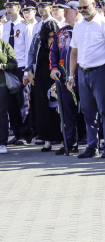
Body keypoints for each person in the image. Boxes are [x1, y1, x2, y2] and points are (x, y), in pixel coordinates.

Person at [68, 0, 105, 159]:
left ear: (95, 4)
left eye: (85, 7)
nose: (82, 10)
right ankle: (92, 146)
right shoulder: (78, 26)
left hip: (101, 71)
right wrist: (71, 75)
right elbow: (74, 52)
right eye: (80, 8)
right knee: (88, 112)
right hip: (83, 72)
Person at [49, 0, 82, 154]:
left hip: (83, 75)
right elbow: (53, 52)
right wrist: (54, 68)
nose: (65, 13)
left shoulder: (84, 30)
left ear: (77, 12)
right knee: (67, 112)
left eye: (68, 11)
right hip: (64, 78)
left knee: (88, 111)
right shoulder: (61, 32)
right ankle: (70, 143)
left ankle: (91, 142)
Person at [2, 0, 34, 144]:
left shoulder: (25, 26)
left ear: (18, 8)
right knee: (10, 104)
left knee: (23, 103)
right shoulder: (6, 26)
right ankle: (16, 133)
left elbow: (29, 49)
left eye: (11, 6)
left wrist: (28, 71)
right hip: (8, 68)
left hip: (20, 67)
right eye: (6, 6)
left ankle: (25, 133)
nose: (8, 9)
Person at [26, 20, 61, 151]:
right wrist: (29, 70)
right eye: (49, 36)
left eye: (53, 36)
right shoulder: (37, 39)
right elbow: (31, 54)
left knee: (57, 109)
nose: (51, 38)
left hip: (55, 76)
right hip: (40, 76)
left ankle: (62, 139)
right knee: (42, 109)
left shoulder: (60, 38)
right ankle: (47, 141)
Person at [0, 36, 18, 154]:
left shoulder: (4, 45)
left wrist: (3, 66)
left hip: (2, 85)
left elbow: (14, 64)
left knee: (2, 113)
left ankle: (2, 143)